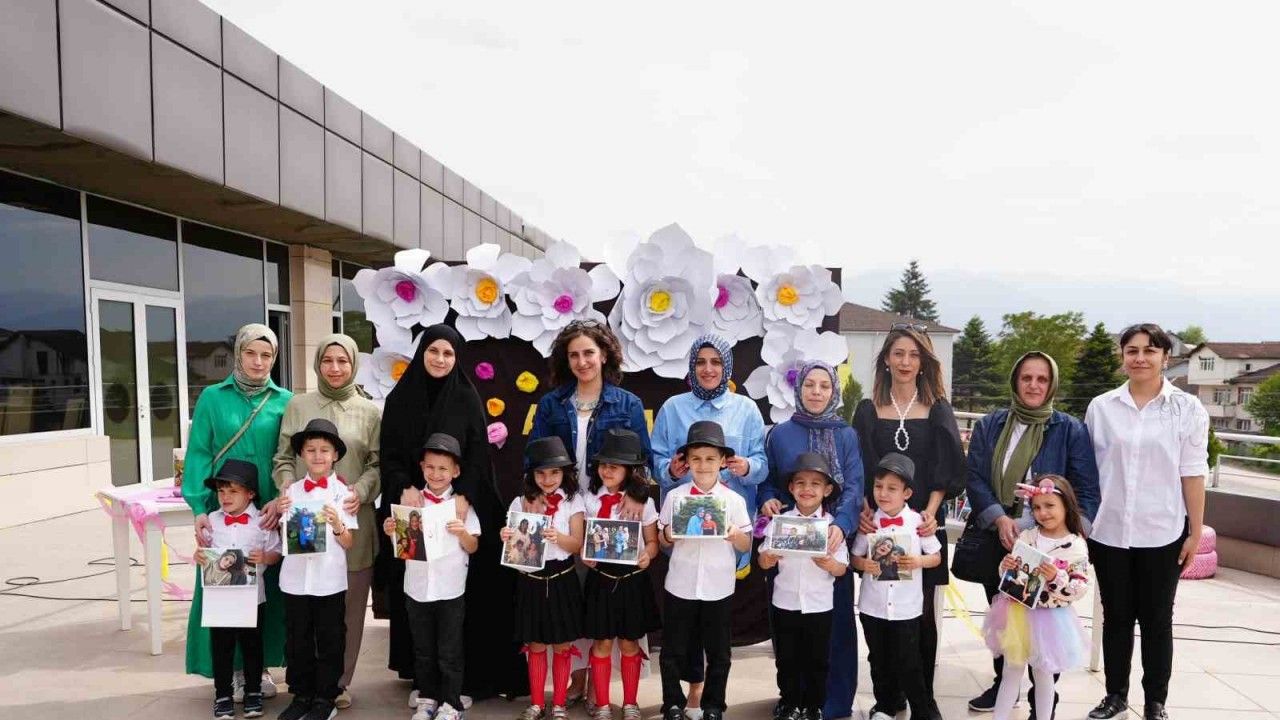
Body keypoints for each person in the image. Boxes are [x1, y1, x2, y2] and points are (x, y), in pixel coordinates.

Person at [377, 324, 521, 704]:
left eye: (448, 353)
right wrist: (403, 487)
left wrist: (465, 495)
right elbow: (389, 454)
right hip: (414, 506)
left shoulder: (466, 398)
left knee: (462, 599)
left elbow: (478, 454)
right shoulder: (400, 398)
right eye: (433, 351)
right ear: (421, 352)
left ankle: (465, 680)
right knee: (418, 594)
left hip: (459, 506)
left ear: (457, 358)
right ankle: (423, 680)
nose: (440, 359)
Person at [963, 351, 1100, 716]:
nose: (1034, 385)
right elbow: (974, 477)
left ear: (1052, 384)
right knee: (1006, 618)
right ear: (1015, 381)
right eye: (1027, 378)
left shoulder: (1069, 429)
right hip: (1000, 536)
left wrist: (1070, 537)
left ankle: (1045, 696)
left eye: (1042, 379)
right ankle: (1003, 685)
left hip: (1049, 545)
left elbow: (1087, 490)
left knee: (1045, 630)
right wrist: (998, 519)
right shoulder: (990, 424)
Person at [1084, 323, 1209, 720]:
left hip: (1163, 531)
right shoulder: (1101, 407)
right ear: (1122, 357)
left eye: (1150, 351)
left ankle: (1156, 702)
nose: (1140, 358)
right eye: (1132, 351)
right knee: (1116, 617)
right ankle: (1115, 696)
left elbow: (1193, 473)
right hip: (1109, 531)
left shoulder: (1187, 409)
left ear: (1165, 358)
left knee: (1157, 620)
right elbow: (1089, 472)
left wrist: (1194, 532)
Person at [527, 320, 652, 711]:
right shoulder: (552, 404)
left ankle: (603, 686)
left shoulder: (627, 403)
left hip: (607, 508)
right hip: (564, 508)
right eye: (574, 355)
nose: (582, 362)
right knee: (571, 596)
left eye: (589, 353)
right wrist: (533, 494)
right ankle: (576, 679)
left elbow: (643, 457)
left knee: (604, 601)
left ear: (604, 355)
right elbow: (534, 455)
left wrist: (637, 493)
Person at [650, 335, 769, 717]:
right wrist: (671, 469)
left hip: (723, 545)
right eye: (700, 361)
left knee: (716, 632)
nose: (708, 369)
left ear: (727, 367)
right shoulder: (673, 408)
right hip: (684, 546)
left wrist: (747, 466)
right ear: (691, 367)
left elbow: (762, 464)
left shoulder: (746, 409)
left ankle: (707, 698)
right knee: (680, 632)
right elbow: (656, 462)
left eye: (716, 362)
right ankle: (680, 697)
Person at [852, 325, 964, 693]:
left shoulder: (938, 409)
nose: (905, 361)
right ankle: (889, 694)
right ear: (886, 359)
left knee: (921, 613)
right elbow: (860, 465)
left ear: (924, 362)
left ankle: (921, 696)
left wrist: (930, 513)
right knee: (883, 608)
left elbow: (946, 466)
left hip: (923, 524)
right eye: (898, 353)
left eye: (914, 355)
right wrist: (866, 509)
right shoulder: (868, 409)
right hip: (880, 523)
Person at [184, 323, 292, 701]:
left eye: (266, 355)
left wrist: (281, 498)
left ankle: (258, 668)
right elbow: (199, 452)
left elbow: (290, 456)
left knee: (265, 593)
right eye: (250, 353)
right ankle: (228, 672)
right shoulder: (213, 398)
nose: (258, 362)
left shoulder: (285, 401)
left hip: (266, 515)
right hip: (224, 508)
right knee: (225, 592)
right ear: (238, 354)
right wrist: (199, 507)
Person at [273, 335, 381, 710]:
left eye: (343, 361)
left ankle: (337, 684)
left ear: (354, 364)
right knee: (306, 609)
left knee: (347, 611)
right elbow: (283, 457)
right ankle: (306, 685)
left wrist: (361, 491)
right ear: (317, 364)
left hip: (352, 520)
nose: (335, 368)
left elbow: (377, 464)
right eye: (327, 360)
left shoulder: (369, 411)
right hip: (303, 520)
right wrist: (287, 487)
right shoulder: (298, 405)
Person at [758, 361, 864, 720]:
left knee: (832, 630)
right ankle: (791, 699)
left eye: (824, 385)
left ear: (834, 391)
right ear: (798, 389)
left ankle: (829, 702)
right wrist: (767, 500)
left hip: (831, 540)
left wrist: (842, 525)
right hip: (789, 541)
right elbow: (769, 480)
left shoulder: (846, 435)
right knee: (790, 632)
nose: (816, 392)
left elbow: (854, 485)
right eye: (809, 385)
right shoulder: (780, 434)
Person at [382, 433, 482, 720]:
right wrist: (391, 530)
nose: (436, 474)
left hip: (450, 588)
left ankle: (451, 703)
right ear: (421, 467)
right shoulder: (411, 503)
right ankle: (427, 698)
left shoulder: (462, 506)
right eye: (430, 467)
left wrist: (461, 532)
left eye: (443, 468)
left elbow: (473, 546)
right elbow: (402, 546)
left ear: (456, 472)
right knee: (423, 648)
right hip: (417, 587)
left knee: (449, 650)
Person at [657, 421, 752, 720]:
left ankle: (713, 706)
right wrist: (669, 533)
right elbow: (662, 539)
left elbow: (746, 543)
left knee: (719, 652)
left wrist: (735, 533)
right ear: (687, 462)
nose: (703, 465)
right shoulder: (675, 497)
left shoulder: (734, 501)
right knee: (673, 649)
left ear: (723, 461)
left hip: (718, 586)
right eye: (696, 458)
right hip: (681, 583)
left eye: (710, 458)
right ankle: (673, 703)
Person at [983, 476, 1091, 720]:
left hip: (1050, 619)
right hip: (1017, 613)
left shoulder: (1075, 545)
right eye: (1037, 507)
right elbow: (1010, 575)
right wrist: (1006, 567)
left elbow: (1079, 588)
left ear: (1066, 505)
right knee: (1011, 671)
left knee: (1043, 674)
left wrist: (1056, 577)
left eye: (1050, 505)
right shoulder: (1028, 536)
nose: (1043, 513)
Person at [757, 452, 850, 720]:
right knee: (786, 658)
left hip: (819, 604)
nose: (807, 489)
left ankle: (814, 705)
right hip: (785, 601)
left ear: (827, 490)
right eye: (800, 483)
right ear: (790, 487)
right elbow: (762, 560)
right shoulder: (779, 522)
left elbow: (842, 568)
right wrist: (768, 558)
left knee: (818, 659)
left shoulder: (832, 528)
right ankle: (789, 703)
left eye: (815, 484)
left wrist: (829, 564)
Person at [275, 418, 357, 720]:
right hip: (295, 580)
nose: (318, 456)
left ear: (335, 455)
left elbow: (348, 542)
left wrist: (337, 525)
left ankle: (326, 698)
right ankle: (301, 695)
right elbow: (282, 536)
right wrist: (282, 516)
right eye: (311, 450)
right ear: (301, 454)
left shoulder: (344, 494)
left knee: (330, 639)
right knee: (298, 639)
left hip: (329, 581)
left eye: (324, 450)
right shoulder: (291, 492)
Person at [851, 453, 943, 720]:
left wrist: (917, 561)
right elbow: (854, 557)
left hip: (906, 608)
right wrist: (864, 564)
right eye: (878, 486)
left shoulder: (919, 522)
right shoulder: (869, 523)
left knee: (909, 661)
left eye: (892, 488)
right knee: (878, 659)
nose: (883, 493)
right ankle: (885, 706)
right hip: (873, 606)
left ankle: (922, 710)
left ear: (907, 493)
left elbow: (936, 557)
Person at [581, 429, 662, 720]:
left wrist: (647, 555)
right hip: (601, 578)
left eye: (614, 466)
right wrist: (587, 555)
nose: (607, 470)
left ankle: (630, 702)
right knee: (601, 642)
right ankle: (602, 703)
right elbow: (585, 540)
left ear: (629, 469)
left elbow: (652, 542)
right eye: (603, 464)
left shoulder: (644, 502)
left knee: (629, 642)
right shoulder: (590, 500)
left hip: (632, 580)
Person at [505, 436, 588, 720]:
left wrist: (557, 537)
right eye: (540, 473)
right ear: (531, 474)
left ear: (565, 472)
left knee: (562, 644)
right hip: (532, 580)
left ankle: (560, 703)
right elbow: (514, 545)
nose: (548, 479)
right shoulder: (521, 501)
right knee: (536, 644)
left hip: (563, 578)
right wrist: (507, 536)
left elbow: (577, 544)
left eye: (554, 472)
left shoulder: (573, 502)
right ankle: (538, 703)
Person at [202, 459, 283, 720]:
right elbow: (205, 552)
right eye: (221, 491)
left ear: (250, 494)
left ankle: (253, 692)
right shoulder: (212, 521)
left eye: (233, 491)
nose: (225, 497)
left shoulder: (262, 521)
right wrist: (200, 556)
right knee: (221, 647)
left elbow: (276, 552)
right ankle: (222, 695)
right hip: (220, 599)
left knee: (252, 646)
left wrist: (265, 557)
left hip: (252, 598)